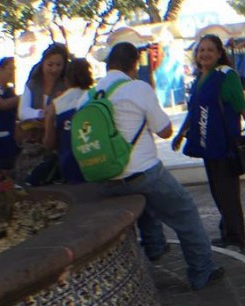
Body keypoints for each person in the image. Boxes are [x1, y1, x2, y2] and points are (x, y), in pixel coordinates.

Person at [89, 42, 222, 289]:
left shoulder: (92, 94)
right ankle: (202, 271)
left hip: (106, 179)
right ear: (133, 64)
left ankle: (154, 248)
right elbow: (164, 130)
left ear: (108, 65)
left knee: (147, 202)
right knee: (185, 212)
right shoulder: (137, 88)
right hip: (143, 172)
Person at [171, 34, 245, 252]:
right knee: (218, 192)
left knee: (227, 192)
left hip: (224, 145)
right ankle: (227, 232)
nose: (205, 54)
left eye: (210, 50)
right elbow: (195, 111)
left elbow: (242, 106)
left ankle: (236, 238)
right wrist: (181, 133)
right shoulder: (201, 77)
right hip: (208, 146)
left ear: (219, 53)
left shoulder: (225, 76)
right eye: (201, 50)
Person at [42, 58, 92, 184]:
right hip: (97, 161)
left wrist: (49, 118)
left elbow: (49, 144)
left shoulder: (57, 103)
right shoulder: (96, 98)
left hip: (70, 166)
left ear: (66, 79)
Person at [0, 57, 20, 172]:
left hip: (10, 140)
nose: (13, 73)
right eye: (10, 69)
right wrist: (21, 98)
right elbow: (2, 105)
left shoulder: (9, 91)